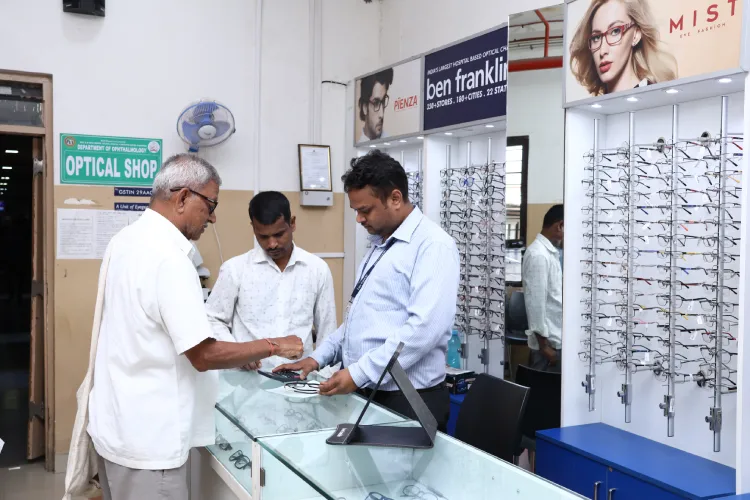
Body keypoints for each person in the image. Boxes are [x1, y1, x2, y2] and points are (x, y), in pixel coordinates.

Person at [82, 155, 303, 500]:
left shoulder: (126, 239)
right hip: (150, 445)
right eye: (211, 205)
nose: (212, 218)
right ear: (184, 197)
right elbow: (203, 354)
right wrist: (273, 345)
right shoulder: (170, 258)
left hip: (116, 429)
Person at [276, 150, 460, 431]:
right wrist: (316, 359)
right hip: (369, 391)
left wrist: (359, 373)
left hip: (408, 399)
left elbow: (424, 330)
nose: (359, 219)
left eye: (365, 210)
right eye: (356, 211)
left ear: (395, 198)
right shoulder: (380, 244)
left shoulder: (433, 245)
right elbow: (358, 323)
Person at [205, 191, 337, 367]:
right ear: (253, 228)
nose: (272, 244)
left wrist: (322, 374)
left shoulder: (317, 269)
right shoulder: (235, 269)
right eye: (263, 237)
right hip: (247, 379)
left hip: (298, 378)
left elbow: (327, 332)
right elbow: (213, 319)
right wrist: (239, 354)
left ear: (292, 223)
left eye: (279, 234)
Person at [569, 0, 677, 96]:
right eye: (596, 38)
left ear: (636, 35)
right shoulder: (594, 107)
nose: (603, 51)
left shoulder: (655, 97)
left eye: (615, 31)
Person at [523, 204, 564, 373]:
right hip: (548, 347)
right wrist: (544, 347)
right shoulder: (538, 255)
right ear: (560, 226)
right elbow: (536, 304)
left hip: (555, 341)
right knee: (543, 388)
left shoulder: (550, 253)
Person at [358, 68, 394, 142]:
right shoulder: (356, 146)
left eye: (383, 101)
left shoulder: (392, 141)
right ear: (364, 107)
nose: (381, 115)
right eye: (376, 103)